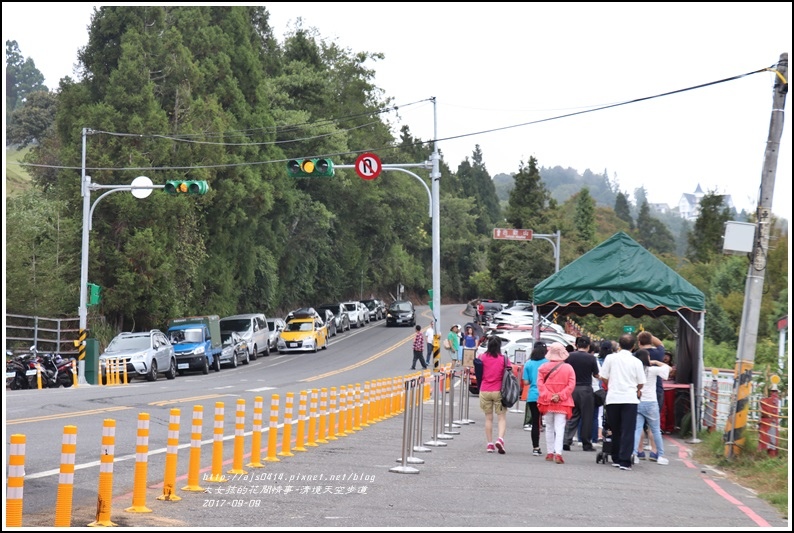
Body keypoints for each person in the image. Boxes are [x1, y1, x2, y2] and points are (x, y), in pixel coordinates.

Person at [599, 333, 646, 471]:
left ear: (619, 345)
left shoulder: (610, 358)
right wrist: (636, 388)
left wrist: (612, 384)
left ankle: (616, 457)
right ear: (634, 346)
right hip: (630, 398)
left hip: (613, 397)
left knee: (615, 429)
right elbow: (641, 383)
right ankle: (625, 461)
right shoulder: (636, 362)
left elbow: (603, 377)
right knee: (628, 429)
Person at [538, 343, 575, 464]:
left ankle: (549, 452)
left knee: (549, 427)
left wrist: (549, 396)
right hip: (563, 402)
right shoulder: (568, 368)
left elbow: (540, 385)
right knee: (560, 428)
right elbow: (571, 385)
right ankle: (558, 453)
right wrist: (560, 396)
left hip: (546, 401)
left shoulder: (543, 367)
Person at [632, 349, 670, 465]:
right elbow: (667, 369)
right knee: (655, 430)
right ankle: (660, 455)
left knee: (637, 429)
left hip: (637, 401)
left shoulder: (634, 370)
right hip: (651, 403)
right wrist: (656, 362)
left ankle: (634, 454)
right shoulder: (652, 370)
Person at [562, 336, 600, 452]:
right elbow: (596, 375)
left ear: (577, 345)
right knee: (587, 417)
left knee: (572, 415)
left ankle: (566, 441)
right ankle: (586, 443)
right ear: (588, 346)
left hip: (572, 389)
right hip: (586, 389)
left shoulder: (569, 356)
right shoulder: (591, 358)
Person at [477, 336, 508, 454]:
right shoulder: (503, 359)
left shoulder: (482, 357)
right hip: (499, 391)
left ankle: (490, 444)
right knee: (501, 417)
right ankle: (500, 439)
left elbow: (478, 371)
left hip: (484, 390)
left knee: (488, 418)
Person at [637, 331, 666, 453]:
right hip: (656, 390)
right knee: (654, 425)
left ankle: (639, 450)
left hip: (638, 392)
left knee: (638, 426)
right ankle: (655, 451)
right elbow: (661, 344)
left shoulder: (636, 355)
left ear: (639, 343)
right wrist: (649, 336)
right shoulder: (659, 353)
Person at [522, 342, 548, 456]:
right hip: (547, 395)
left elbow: (526, 382)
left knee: (536, 423)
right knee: (551, 423)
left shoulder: (528, 363)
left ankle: (536, 448)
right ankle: (554, 448)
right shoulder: (548, 363)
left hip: (533, 395)